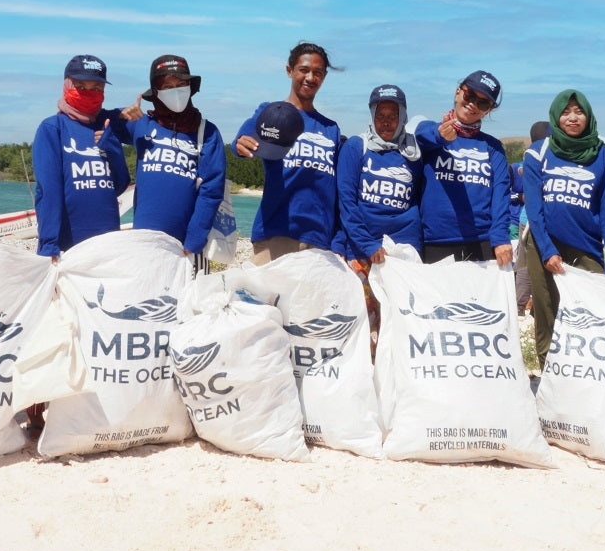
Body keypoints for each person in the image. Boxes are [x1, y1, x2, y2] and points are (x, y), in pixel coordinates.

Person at [523, 90, 605, 366]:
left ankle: (587, 371)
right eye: (566, 111)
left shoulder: (602, 157)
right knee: (547, 312)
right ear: (556, 116)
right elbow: (534, 208)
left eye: (578, 111)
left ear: (588, 116)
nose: (572, 117)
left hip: (586, 247)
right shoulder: (538, 152)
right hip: (543, 246)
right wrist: (547, 251)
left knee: (592, 314)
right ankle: (549, 373)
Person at [232, 42, 342, 263]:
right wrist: (239, 145)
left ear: (324, 77)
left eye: (317, 73)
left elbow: (337, 189)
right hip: (275, 234)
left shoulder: (331, 129)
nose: (310, 77)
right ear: (289, 70)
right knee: (265, 299)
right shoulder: (271, 112)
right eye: (304, 70)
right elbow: (242, 141)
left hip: (320, 241)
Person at [113, 54, 226, 263]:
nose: (175, 90)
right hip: (143, 242)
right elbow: (95, 120)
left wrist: (193, 242)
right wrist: (121, 116)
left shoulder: (207, 132)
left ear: (190, 87)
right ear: (155, 92)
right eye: (167, 85)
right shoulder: (141, 123)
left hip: (187, 248)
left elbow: (211, 191)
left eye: (181, 84)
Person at [336, 84, 422, 348]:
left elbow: (417, 199)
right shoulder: (356, 147)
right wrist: (369, 244)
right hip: (362, 250)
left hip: (402, 255)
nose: (386, 122)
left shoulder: (414, 153)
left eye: (393, 115)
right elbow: (347, 202)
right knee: (363, 325)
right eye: (380, 115)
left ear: (403, 117)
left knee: (399, 323)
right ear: (371, 115)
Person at [31, 55, 131, 261]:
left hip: (108, 241)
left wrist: (113, 148)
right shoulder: (52, 128)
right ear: (67, 85)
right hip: (68, 244)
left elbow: (121, 184)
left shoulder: (106, 126)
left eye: (96, 88)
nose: (89, 92)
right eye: (80, 86)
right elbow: (48, 191)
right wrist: (49, 244)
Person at [416, 71, 514, 265]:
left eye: (483, 103)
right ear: (457, 93)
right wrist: (440, 136)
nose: (473, 105)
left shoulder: (493, 147)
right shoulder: (431, 132)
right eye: (470, 96)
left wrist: (501, 237)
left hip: (481, 243)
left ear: (488, 110)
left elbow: (501, 195)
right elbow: (421, 134)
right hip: (435, 243)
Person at [513, 121, 550, 316]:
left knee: (526, 263)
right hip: (534, 220)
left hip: (526, 218)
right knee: (528, 264)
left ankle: (525, 306)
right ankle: (522, 305)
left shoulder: (530, 157)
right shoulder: (540, 158)